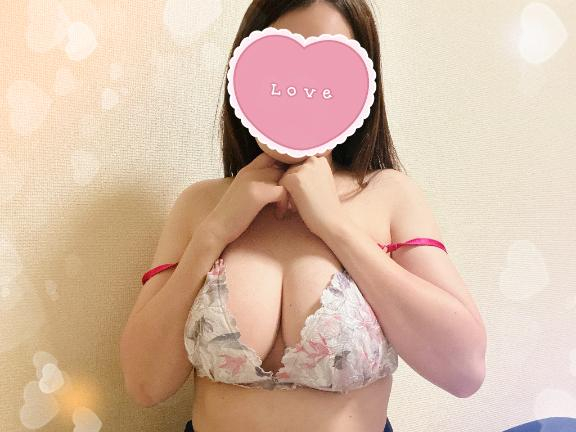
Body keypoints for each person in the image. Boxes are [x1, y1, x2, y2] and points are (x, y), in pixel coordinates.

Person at [120, 1, 486, 431]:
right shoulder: (200, 204)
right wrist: (213, 233)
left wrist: (335, 227)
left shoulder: (389, 195)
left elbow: (465, 370)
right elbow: (144, 385)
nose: (301, 87)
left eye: (329, 69)